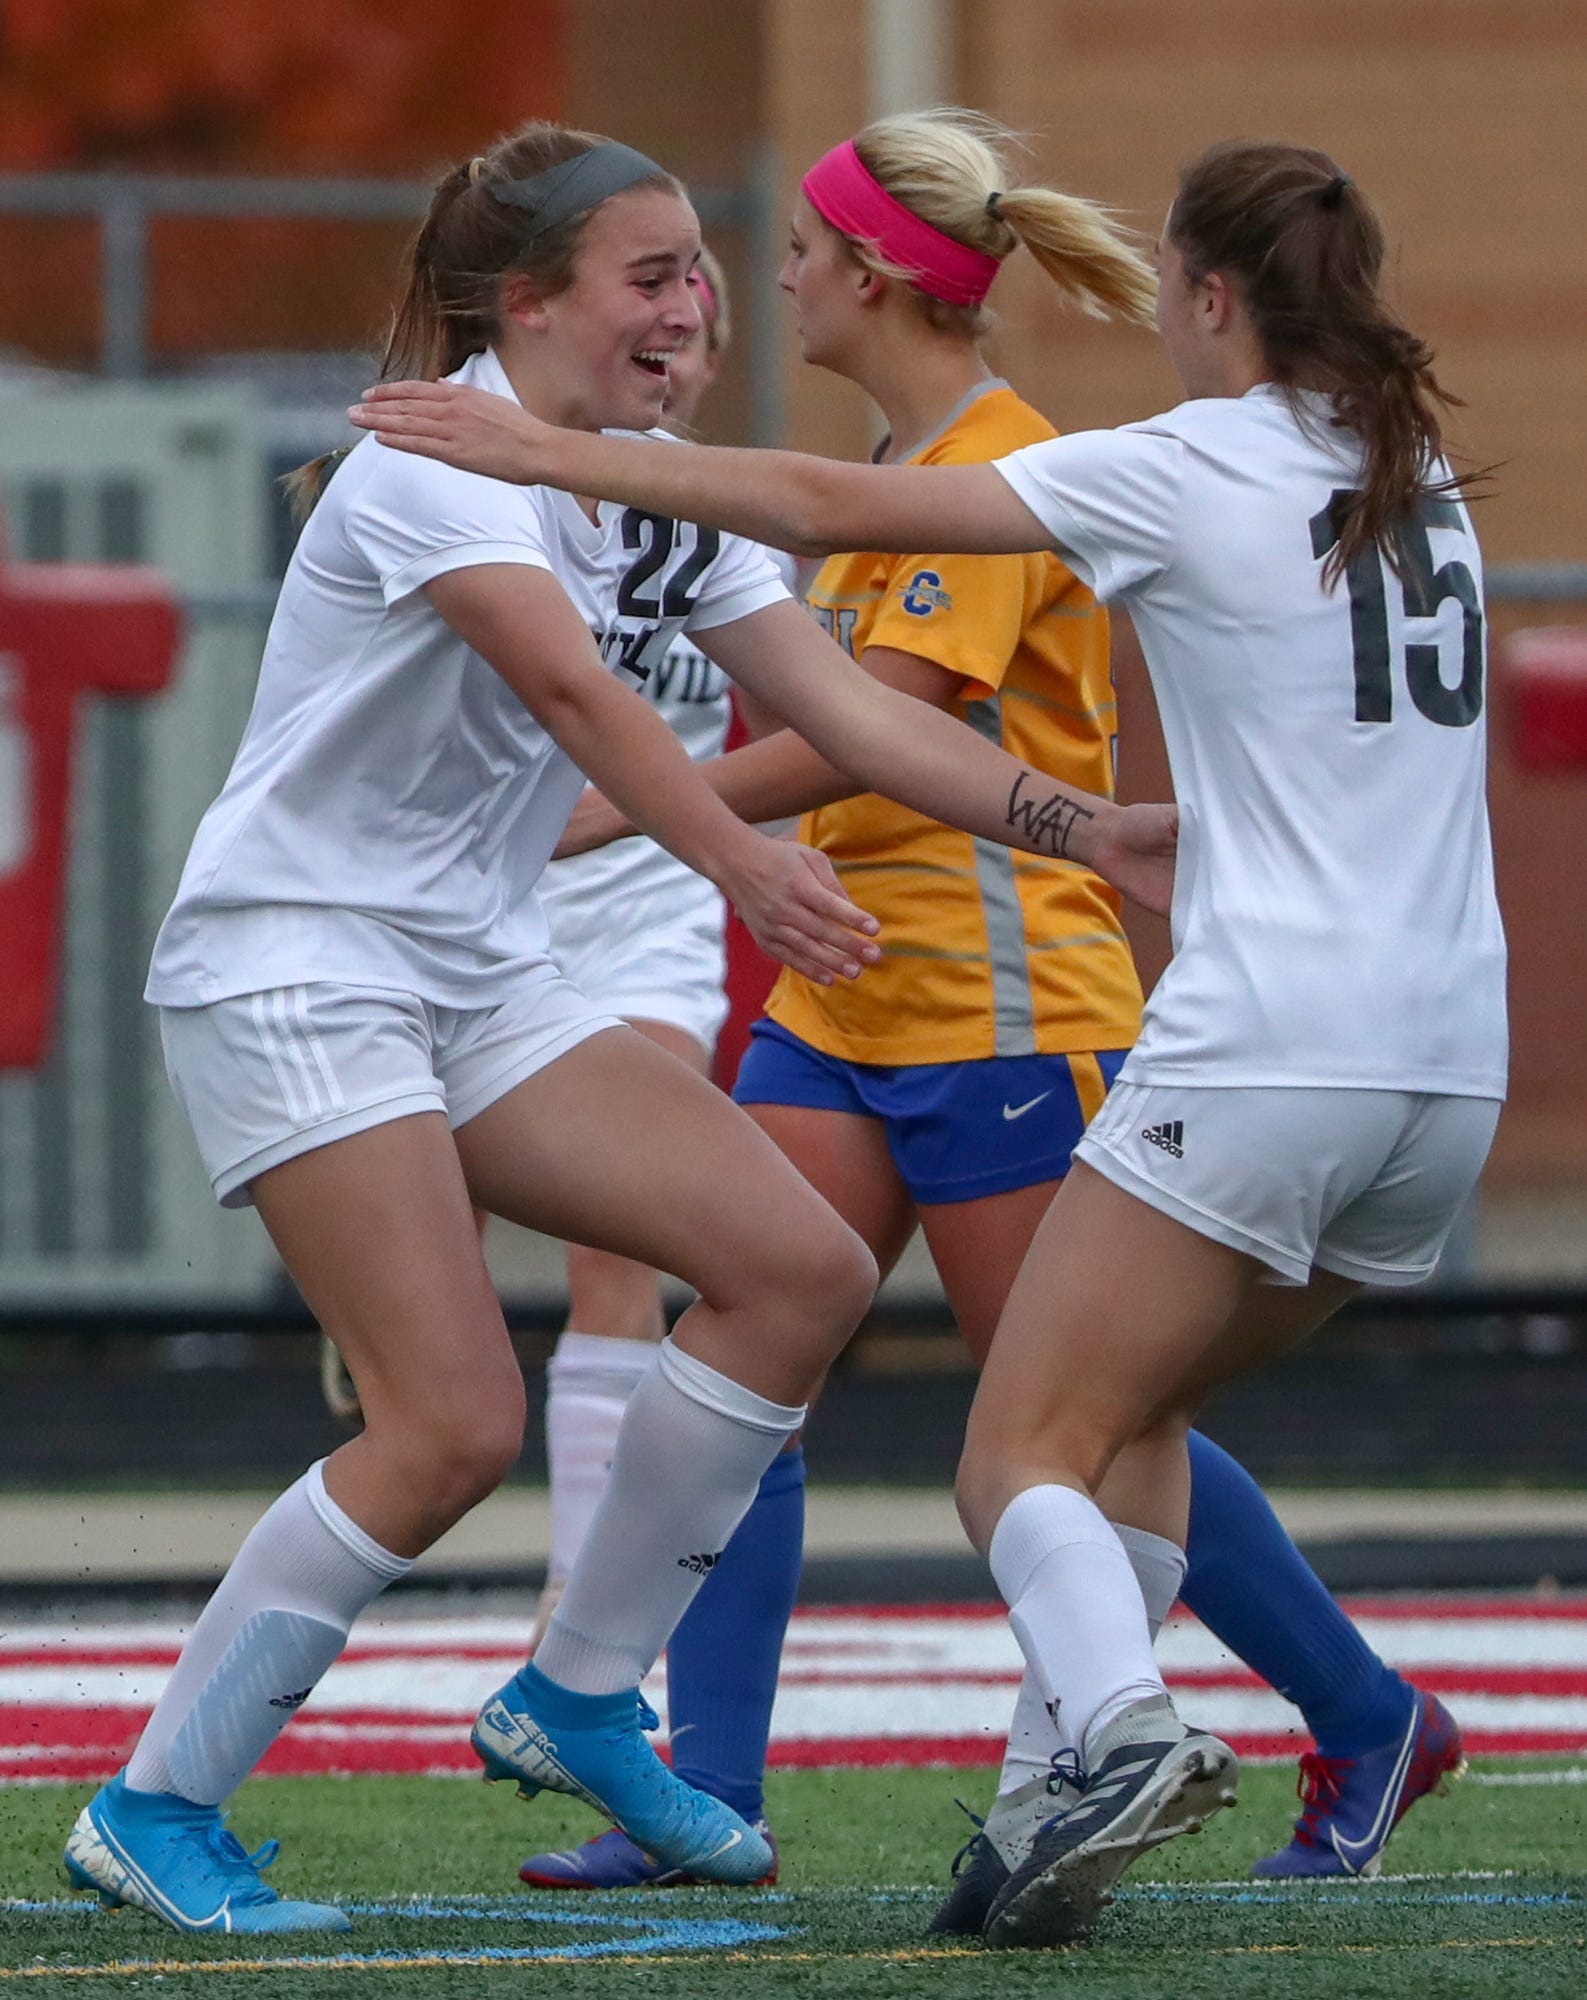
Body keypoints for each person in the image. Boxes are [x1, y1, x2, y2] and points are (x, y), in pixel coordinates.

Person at [350, 137, 1505, 1946]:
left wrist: (560, 477)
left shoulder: (1098, 457)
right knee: (780, 1327)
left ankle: (1210, 1726)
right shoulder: (1406, 459)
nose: (760, 280)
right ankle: (715, 1781)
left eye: (796, 248)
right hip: (1013, 1010)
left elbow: (847, 670)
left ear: (1211, 299)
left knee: (1049, 1443)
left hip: (1024, 1002)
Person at [64, 119, 1174, 1938]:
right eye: (651, 275)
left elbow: (852, 708)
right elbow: (573, 689)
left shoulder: (640, 469)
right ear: (532, 304)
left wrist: (1083, 826)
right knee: (445, 1426)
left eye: (702, 268)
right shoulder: (437, 453)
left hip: (476, 967)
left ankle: (577, 1694)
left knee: (800, 1273)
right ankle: (154, 1804)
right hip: (297, 963)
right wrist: (742, 859)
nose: (700, 302)